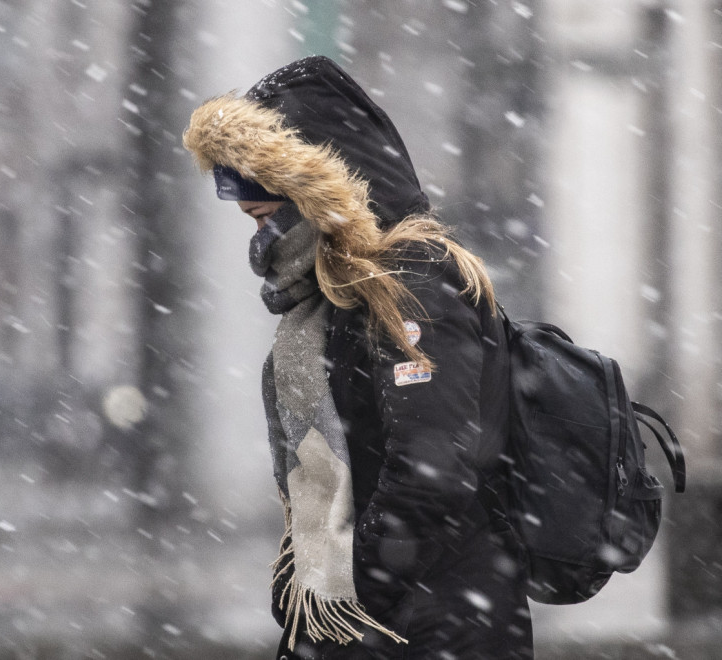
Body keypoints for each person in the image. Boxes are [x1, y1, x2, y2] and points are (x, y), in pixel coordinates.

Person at [183, 56, 533, 659]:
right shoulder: (329, 301)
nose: (250, 222)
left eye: (263, 202)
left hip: (431, 625)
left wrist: (349, 590)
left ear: (317, 188)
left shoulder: (412, 281)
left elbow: (431, 472)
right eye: (242, 202)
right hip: (380, 621)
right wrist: (314, 597)